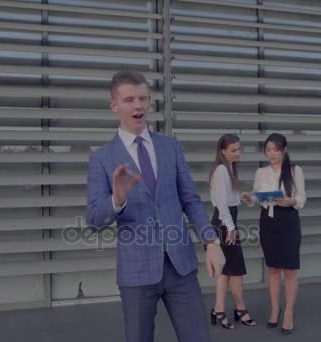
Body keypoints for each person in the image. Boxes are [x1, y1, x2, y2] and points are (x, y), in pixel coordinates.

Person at [86, 70, 225, 342]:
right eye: (129, 100)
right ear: (114, 106)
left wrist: (211, 241)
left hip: (180, 267)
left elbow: (190, 200)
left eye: (143, 98)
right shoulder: (102, 158)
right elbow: (92, 219)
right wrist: (117, 199)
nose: (138, 106)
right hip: (136, 273)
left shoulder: (170, 147)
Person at [241, 133, 306, 335]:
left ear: (284, 150)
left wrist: (292, 201)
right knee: (273, 268)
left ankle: (288, 312)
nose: (271, 153)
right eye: (268, 149)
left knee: (290, 270)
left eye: (275, 149)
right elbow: (256, 196)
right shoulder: (261, 172)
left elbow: (302, 196)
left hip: (288, 220)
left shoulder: (295, 171)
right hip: (268, 221)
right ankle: (275, 308)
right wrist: (248, 198)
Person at [209, 133, 257, 329]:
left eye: (239, 149)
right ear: (223, 151)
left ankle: (220, 310)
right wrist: (229, 228)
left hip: (228, 221)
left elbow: (229, 200)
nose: (238, 153)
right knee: (233, 270)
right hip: (223, 223)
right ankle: (238, 308)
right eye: (234, 150)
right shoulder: (221, 170)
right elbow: (221, 204)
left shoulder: (228, 169)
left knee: (228, 269)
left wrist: (242, 197)